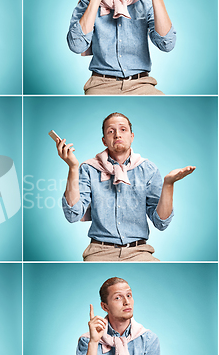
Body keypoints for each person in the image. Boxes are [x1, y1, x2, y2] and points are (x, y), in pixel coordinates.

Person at [57, 112, 195, 261]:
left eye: (123, 130)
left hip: (139, 252)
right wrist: (73, 167)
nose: (117, 135)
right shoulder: (89, 169)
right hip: (99, 252)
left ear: (132, 136)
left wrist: (169, 184)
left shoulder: (148, 169)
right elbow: (73, 215)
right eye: (111, 131)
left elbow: (161, 223)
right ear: (104, 141)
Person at [67, 0, 175, 95]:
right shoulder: (87, 4)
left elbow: (167, 44)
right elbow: (76, 46)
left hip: (141, 84)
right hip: (100, 85)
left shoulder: (146, 3)